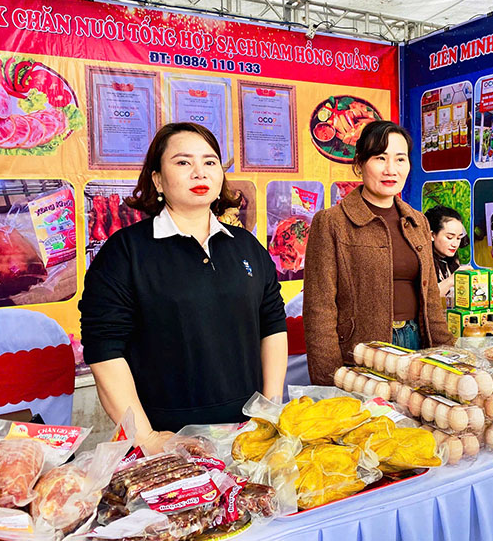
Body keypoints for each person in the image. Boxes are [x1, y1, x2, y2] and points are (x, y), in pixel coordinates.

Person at [80, 122, 288, 452]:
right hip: (168, 439)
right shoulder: (126, 252)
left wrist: (270, 410)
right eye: (182, 162)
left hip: (249, 434)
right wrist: (145, 437)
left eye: (209, 162)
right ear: (157, 179)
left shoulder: (246, 247)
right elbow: (104, 348)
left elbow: (273, 325)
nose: (199, 173)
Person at [303, 120, 454, 385]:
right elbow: (319, 310)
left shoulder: (418, 221)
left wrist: (450, 357)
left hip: (418, 344)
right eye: (380, 158)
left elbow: (430, 298)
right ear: (359, 164)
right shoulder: (331, 222)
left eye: (400, 159)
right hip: (362, 354)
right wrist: (329, 381)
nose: (390, 170)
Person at [425, 205, 470, 300]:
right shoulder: (422, 262)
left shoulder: (453, 261)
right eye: (449, 237)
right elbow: (426, 298)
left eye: (458, 238)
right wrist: (450, 281)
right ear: (432, 235)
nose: (455, 244)